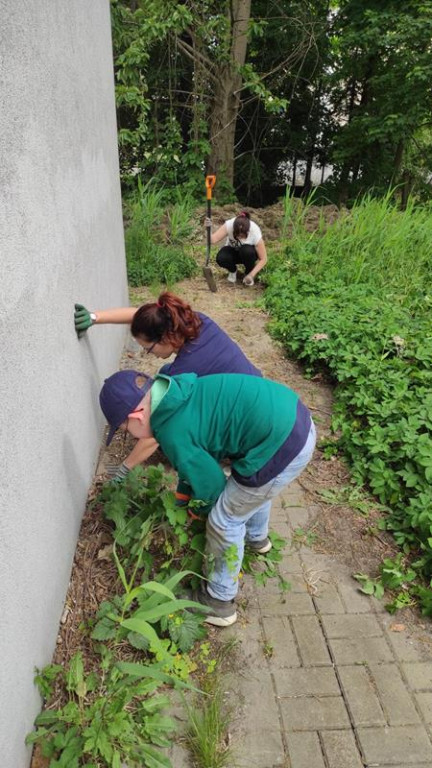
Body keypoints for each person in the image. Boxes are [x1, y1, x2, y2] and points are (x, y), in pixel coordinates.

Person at [99, 368, 316, 627]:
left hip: (280, 445)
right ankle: (256, 539)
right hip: (295, 418)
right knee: (252, 490)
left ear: (139, 415)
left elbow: (211, 485)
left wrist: (199, 513)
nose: (129, 435)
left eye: (124, 428)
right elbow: (200, 455)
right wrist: (183, 497)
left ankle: (219, 601)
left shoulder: (172, 431)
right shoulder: (179, 396)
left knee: (224, 520)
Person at [74, 293, 261, 478]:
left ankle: (231, 456)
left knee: (170, 428)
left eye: (149, 349)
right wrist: (94, 317)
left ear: (163, 339)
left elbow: (157, 430)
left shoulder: (186, 367)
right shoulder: (191, 321)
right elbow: (142, 317)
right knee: (164, 373)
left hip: (249, 421)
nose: (150, 354)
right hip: (255, 385)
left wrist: (124, 468)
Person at [207, 211, 267, 286]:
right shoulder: (229, 225)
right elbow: (213, 240)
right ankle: (233, 271)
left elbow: (263, 259)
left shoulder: (255, 231)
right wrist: (207, 228)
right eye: (237, 235)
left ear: (248, 231)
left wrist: (251, 275)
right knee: (221, 258)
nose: (240, 238)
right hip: (234, 252)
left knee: (246, 250)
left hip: (248, 255)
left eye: (243, 236)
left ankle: (248, 272)